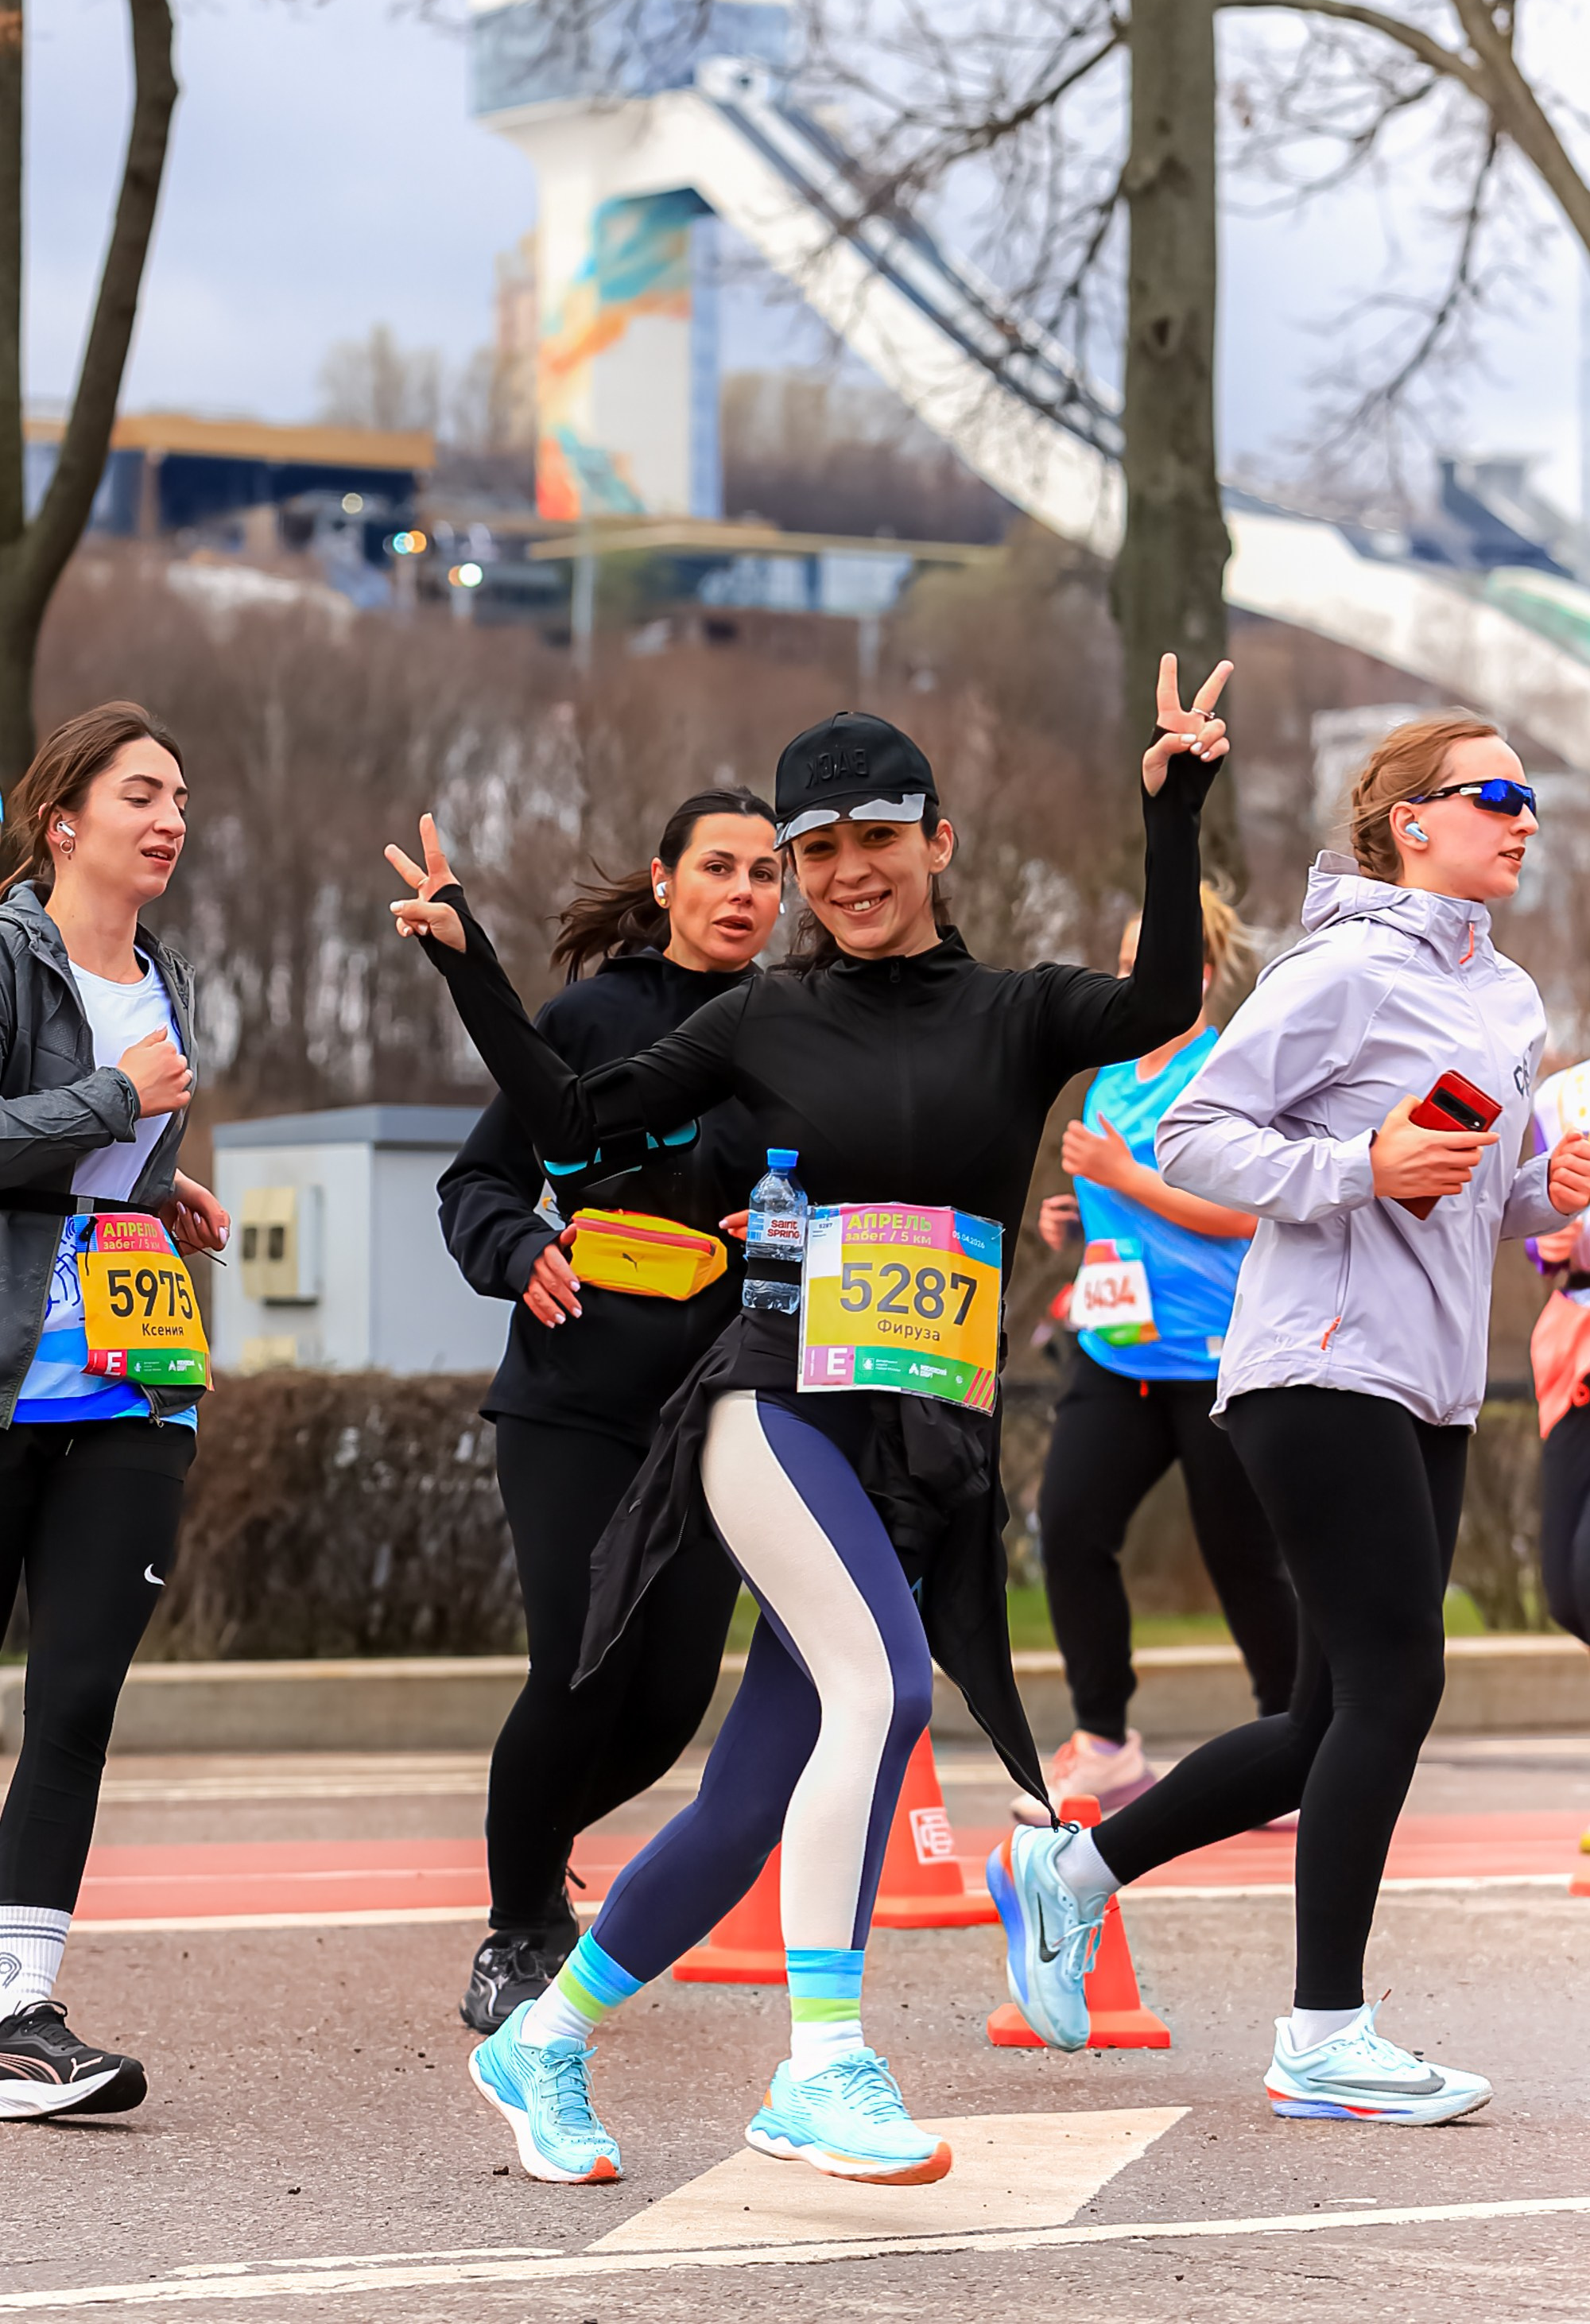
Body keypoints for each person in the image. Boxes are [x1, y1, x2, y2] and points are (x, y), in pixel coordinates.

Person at [387, 660, 1230, 2186]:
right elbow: (570, 1123)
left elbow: (1163, 1002)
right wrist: (472, 967)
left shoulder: (1021, 1012)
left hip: (921, 1448)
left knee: (750, 1796)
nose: (846, 873)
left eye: (876, 841)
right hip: (772, 1411)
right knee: (884, 1693)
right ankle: (824, 2061)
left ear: (937, 844)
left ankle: (543, 2041)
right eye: (816, 850)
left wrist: (1172, 819)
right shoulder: (761, 1019)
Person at [1020, 713, 1590, 2126]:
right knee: (1397, 1687)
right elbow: (1198, 1136)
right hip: (1315, 1364)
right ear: (1411, 821)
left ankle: (1073, 1870)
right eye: (1498, 794)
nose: (1524, 818)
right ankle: (1323, 2033)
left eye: (1530, 798)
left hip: (1430, 1382)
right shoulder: (1336, 969)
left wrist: (1548, 1188)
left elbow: (1472, 1196)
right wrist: (1358, 1166)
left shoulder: (1507, 996)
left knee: (1325, 1715)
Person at [440, 789, 782, 2030]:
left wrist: (791, 1232)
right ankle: (519, 1926)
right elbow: (478, 1181)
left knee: (669, 1700)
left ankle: (526, 1837)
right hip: (574, 1399)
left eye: (766, 874)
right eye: (720, 867)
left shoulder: (796, 1029)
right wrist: (519, 1247)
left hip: (720, 1410)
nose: (743, 893)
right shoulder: (590, 1018)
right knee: (580, 1669)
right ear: (666, 881)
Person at [0, 703, 228, 2121]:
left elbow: (98, 1151)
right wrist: (108, 1102)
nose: (170, 820)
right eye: (141, 793)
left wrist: (152, 1181)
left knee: (78, 1691)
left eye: (182, 800)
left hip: (133, 1374)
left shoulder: (168, 974)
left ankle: (17, 2012)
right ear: (62, 820)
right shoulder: (4, 955)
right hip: (8, 1370)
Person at [1014, 885, 1295, 1822]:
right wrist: (1080, 1215)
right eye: (1125, 964)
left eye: (1151, 964)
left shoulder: (1227, 1071)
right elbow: (1123, 1202)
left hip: (1213, 1354)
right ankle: (1104, 1742)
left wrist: (1122, 1177)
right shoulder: (1111, 1073)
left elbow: (1247, 1212)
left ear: (1199, 974)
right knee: (1069, 1526)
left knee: (1242, 1557)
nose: (1130, 979)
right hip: (1116, 1348)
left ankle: (1291, 1741)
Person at [1523, 1065, 1590, 1718]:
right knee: (1567, 1593)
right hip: (1576, 1342)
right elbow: (1543, 1224)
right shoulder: (1563, 1094)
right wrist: (1547, 1244)